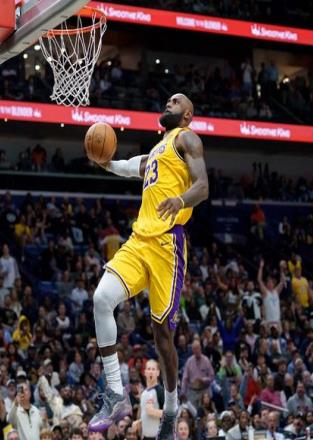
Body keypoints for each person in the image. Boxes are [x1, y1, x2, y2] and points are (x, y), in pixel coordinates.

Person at [88, 93, 209, 440]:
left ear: (187, 115)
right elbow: (131, 167)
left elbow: (203, 187)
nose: (169, 103)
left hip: (168, 245)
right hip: (140, 240)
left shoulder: (187, 139)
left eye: (176, 102)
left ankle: (170, 409)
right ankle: (116, 393)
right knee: (101, 299)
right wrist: (107, 163)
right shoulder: (158, 149)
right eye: (168, 100)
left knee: (162, 335)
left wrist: (180, 200)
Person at [137, 359, 164, 439]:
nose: (151, 371)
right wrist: (139, 422)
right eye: (148, 369)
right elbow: (144, 415)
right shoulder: (144, 393)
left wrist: (154, 412)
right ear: (145, 372)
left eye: (153, 369)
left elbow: (170, 414)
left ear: (158, 373)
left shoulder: (160, 391)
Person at [257, 259, 285, 329]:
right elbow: (259, 280)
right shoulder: (266, 292)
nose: (270, 284)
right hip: (269, 322)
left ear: (273, 284)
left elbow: (282, 282)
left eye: (271, 282)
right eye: (268, 282)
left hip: (277, 321)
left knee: (279, 335)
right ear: (266, 284)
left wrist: (281, 270)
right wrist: (261, 267)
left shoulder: (276, 291)